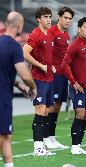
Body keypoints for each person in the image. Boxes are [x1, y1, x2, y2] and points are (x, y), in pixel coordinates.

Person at [0, 11, 37, 167]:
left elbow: (1, 72)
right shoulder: (13, 46)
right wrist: (32, 87)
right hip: (1, 98)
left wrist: (19, 86)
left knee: (7, 135)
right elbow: (25, 74)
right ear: (19, 26)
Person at [23, 7, 56, 156]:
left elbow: (46, 55)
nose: (49, 20)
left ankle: (41, 144)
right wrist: (40, 65)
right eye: (45, 17)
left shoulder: (49, 35)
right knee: (40, 110)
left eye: (49, 17)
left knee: (47, 110)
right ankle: (37, 147)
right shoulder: (36, 34)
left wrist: (51, 66)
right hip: (39, 78)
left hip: (49, 77)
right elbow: (24, 52)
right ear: (38, 19)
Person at [61, 17, 86, 155]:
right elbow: (64, 65)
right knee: (80, 114)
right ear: (79, 29)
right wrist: (74, 82)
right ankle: (74, 146)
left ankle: (79, 144)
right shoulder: (74, 44)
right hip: (78, 87)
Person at [44, 7, 75, 149]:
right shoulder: (52, 32)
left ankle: (51, 137)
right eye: (65, 18)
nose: (67, 21)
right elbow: (45, 51)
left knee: (57, 106)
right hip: (53, 75)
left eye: (70, 18)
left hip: (63, 76)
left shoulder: (66, 36)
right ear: (59, 17)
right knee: (50, 106)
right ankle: (44, 138)